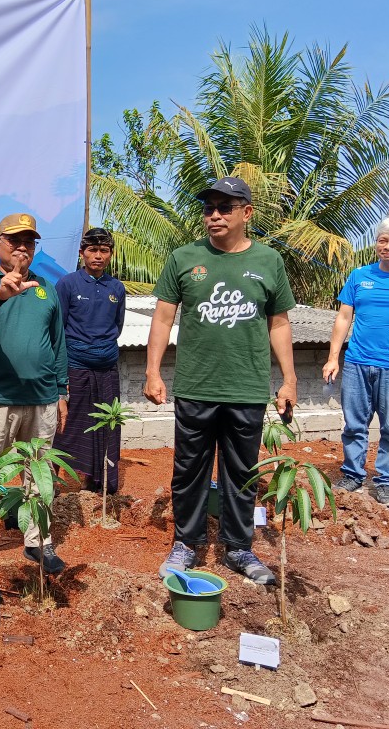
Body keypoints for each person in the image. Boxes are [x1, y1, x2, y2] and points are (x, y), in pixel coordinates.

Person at [144, 176, 296, 585]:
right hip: (196, 385)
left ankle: (238, 547)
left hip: (246, 387)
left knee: (242, 472)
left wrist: (289, 379)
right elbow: (163, 318)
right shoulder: (184, 258)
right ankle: (186, 544)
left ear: (246, 213)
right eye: (209, 208)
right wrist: (153, 371)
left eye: (224, 207)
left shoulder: (268, 261)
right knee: (188, 470)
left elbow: (279, 323)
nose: (214, 215)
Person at [0, 213, 69, 576]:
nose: (23, 247)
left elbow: (58, 343)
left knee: (39, 474)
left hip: (42, 399)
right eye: (15, 240)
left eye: (29, 242)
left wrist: (61, 391)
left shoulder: (46, 288)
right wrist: (2, 292)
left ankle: (39, 541)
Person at [323, 216, 389, 510]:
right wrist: (333, 358)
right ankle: (352, 475)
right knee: (354, 424)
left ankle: (386, 483)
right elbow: (344, 317)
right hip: (357, 362)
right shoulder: (359, 276)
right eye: (382, 240)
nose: (387, 246)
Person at [53, 228, 126, 493]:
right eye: (92, 250)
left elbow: (117, 326)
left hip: (107, 369)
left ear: (110, 254)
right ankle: (51, 482)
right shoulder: (67, 284)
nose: (98, 256)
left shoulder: (116, 288)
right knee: (66, 426)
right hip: (75, 368)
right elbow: (58, 329)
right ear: (82, 252)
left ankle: (95, 483)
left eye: (104, 251)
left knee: (104, 425)